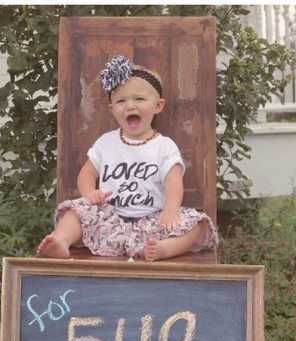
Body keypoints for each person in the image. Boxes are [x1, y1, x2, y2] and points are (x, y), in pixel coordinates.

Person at [37, 54, 218, 262]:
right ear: (112, 109)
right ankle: (60, 241)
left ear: (158, 106)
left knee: (196, 223)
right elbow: (87, 172)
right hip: (110, 220)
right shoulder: (106, 142)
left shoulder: (164, 146)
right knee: (76, 211)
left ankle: (165, 248)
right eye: (121, 101)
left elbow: (173, 181)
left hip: (151, 221)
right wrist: (90, 193)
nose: (130, 106)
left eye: (139, 99)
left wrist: (170, 210)